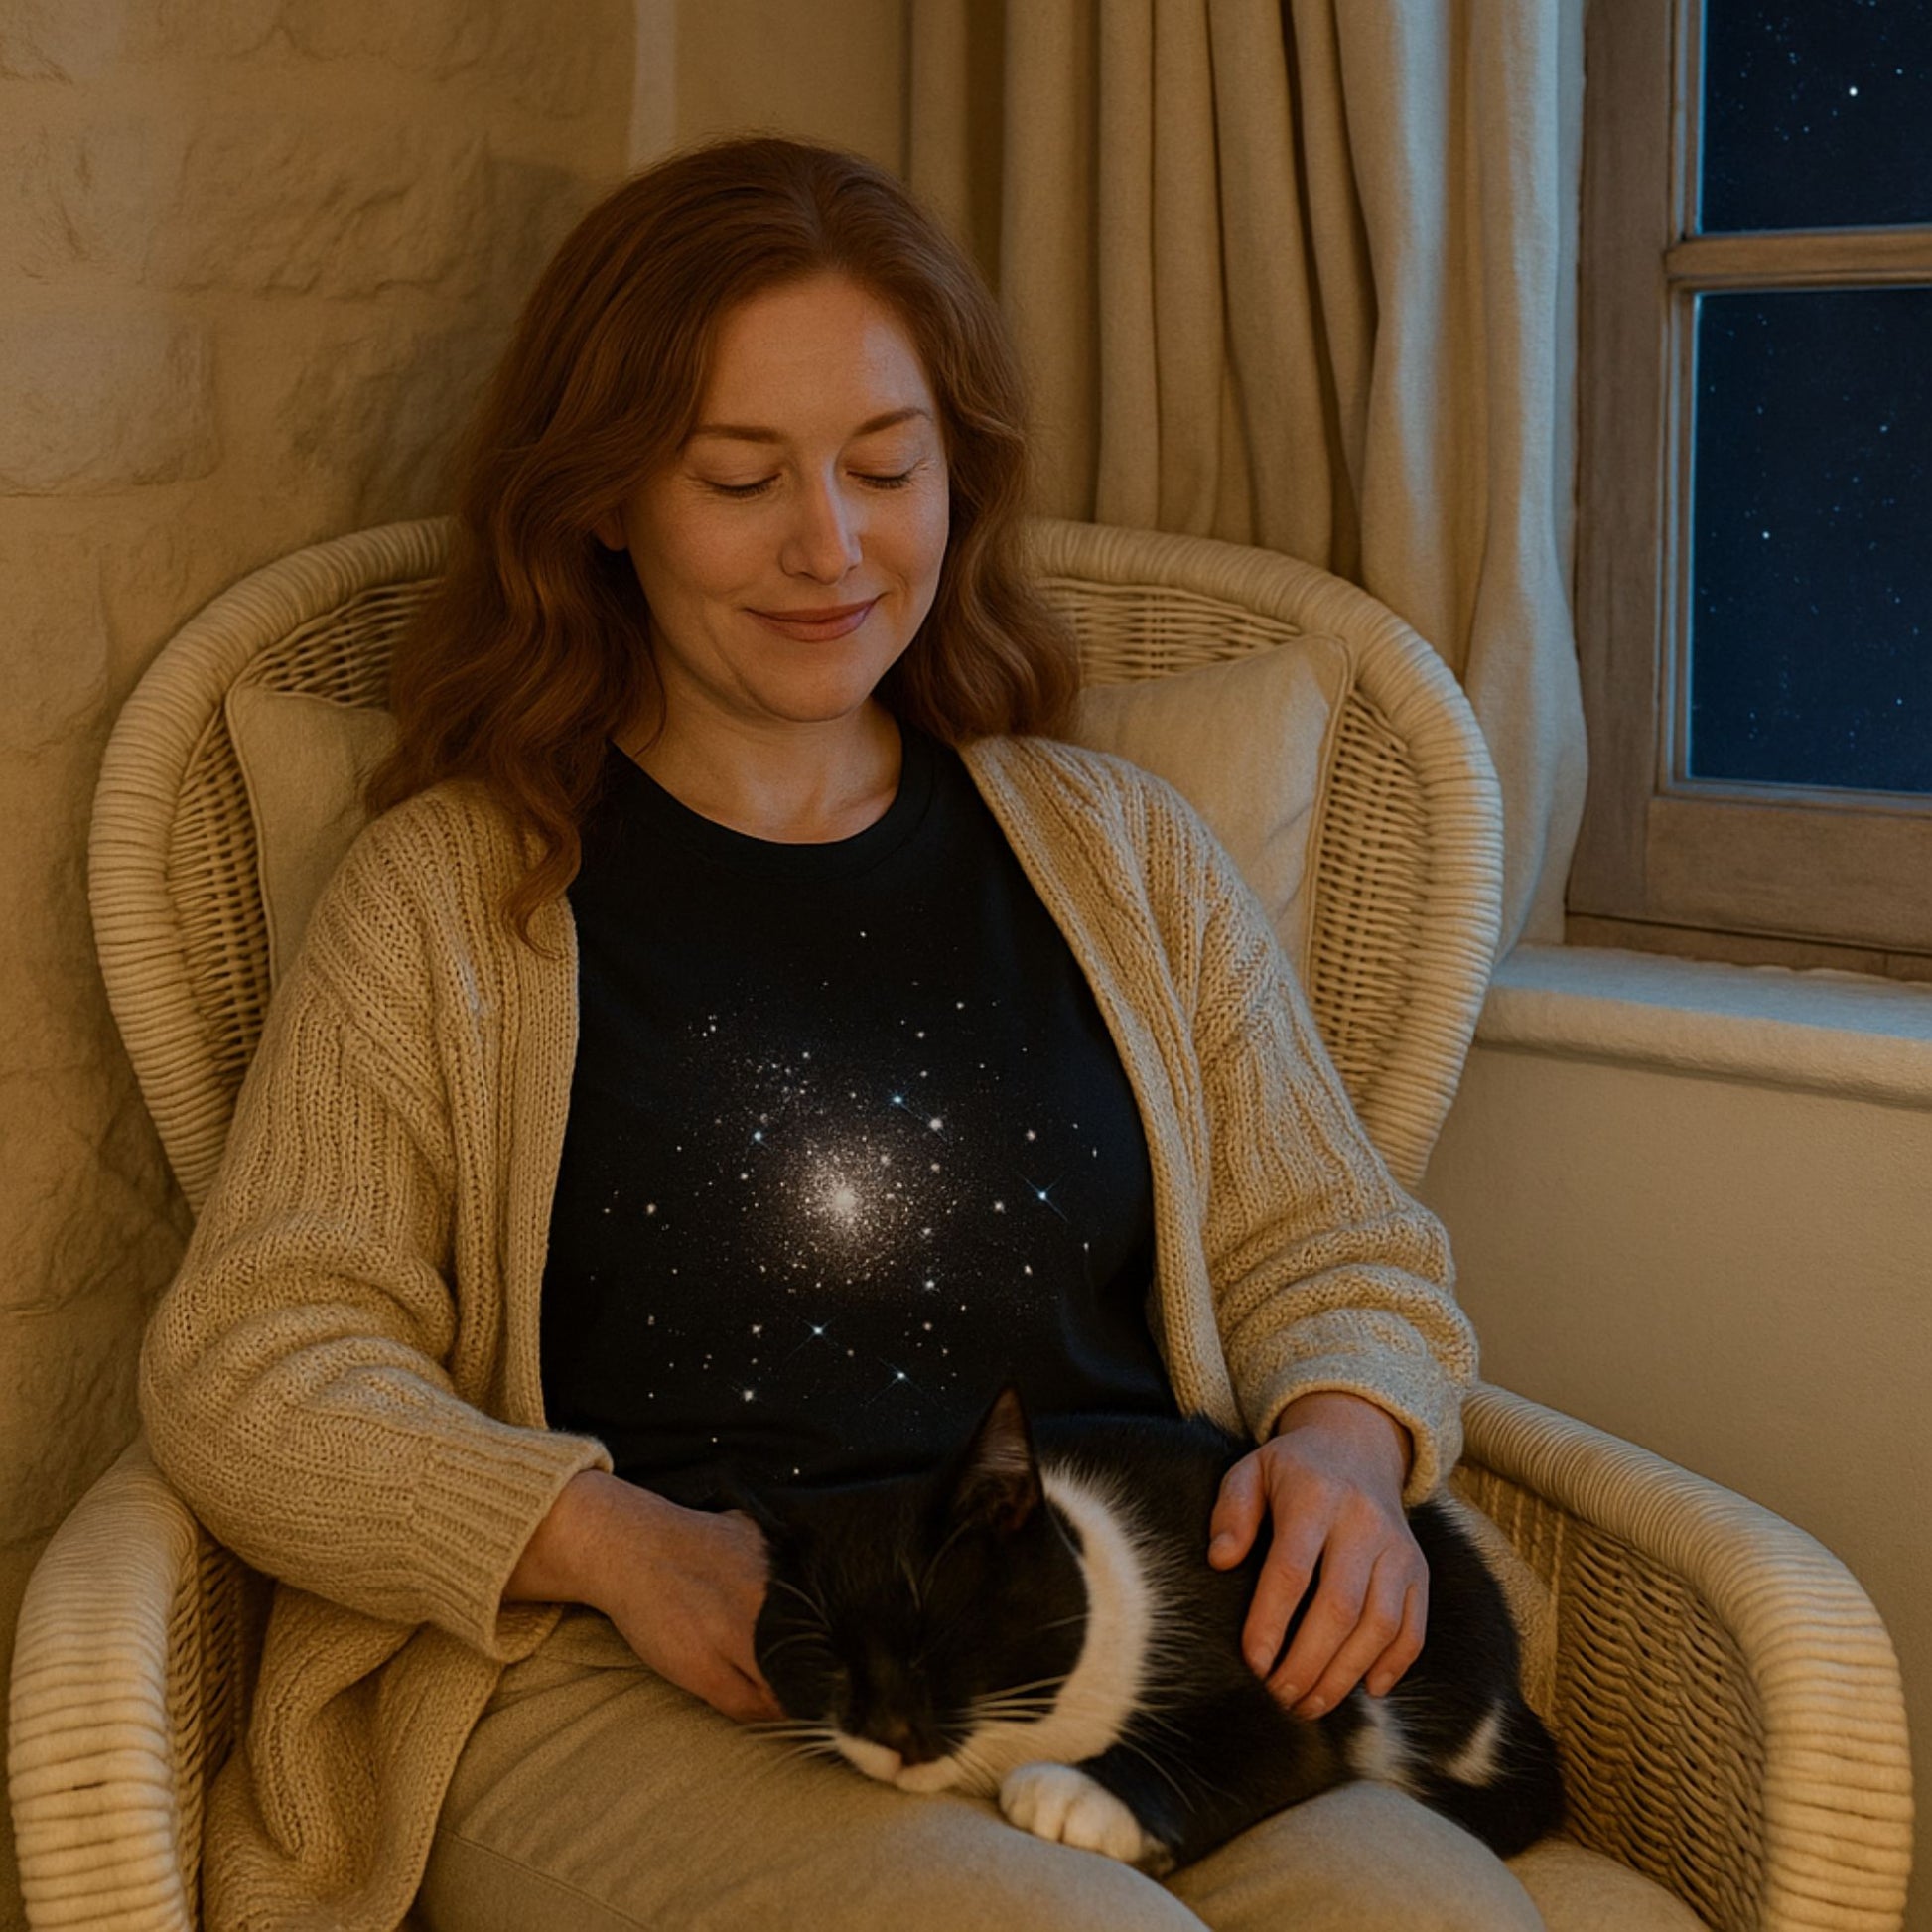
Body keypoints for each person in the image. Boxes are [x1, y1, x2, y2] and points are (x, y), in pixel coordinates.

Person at [139, 136, 1543, 1932]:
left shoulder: (1116, 851)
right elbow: (249, 1358)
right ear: (604, 499)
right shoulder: (448, 898)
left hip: (1130, 1662)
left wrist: (1347, 1437)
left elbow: (1330, 1240)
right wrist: (604, 1542)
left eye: (887, 466)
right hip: (647, 1683)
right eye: (741, 480)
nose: (830, 545)